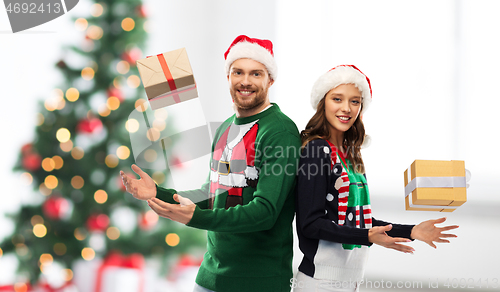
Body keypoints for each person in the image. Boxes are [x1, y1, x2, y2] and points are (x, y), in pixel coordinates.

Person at [121, 35, 301, 292]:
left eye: (256, 74)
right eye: (238, 72)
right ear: (228, 77)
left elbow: (265, 212)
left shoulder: (279, 131)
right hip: (210, 275)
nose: (246, 81)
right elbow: (211, 194)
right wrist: (158, 193)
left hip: (257, 281)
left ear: (270, 80)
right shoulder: (225, 128)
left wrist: (197, 218)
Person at [294, 65, 459, 292]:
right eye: (337, 99)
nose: (346, 108)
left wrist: (411, 231)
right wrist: (367, 236)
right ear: (323, 102)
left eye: (355, 101)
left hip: (349, 281)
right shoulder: (316, 151)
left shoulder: (350, 155)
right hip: (320, 282)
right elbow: (310, 225)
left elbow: (356, 220)